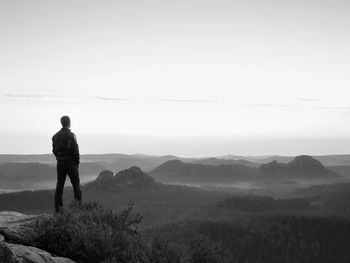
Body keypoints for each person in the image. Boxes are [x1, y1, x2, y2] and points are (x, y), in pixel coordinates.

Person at [52, 116, 82, 212]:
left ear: (61, 123)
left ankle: (58, 211)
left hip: (60, 162)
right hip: (70, 163)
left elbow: (54, 150)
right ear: (69, 123)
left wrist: (59, 158)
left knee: (59, 187)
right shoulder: (71, 135)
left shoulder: (55, 136)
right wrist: (76, 164)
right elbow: (76, 151)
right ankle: (78, 210)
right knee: (76, 186)